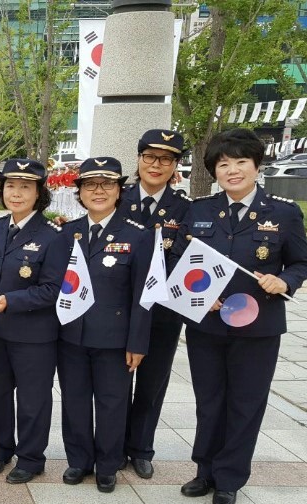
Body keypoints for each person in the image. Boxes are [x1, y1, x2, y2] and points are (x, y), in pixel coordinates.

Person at [172, 128, 307, 504]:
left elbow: (301, 263)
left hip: (258, 326)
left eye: (240, 162)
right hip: (207, 324)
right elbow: (179, 261)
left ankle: (230, 479)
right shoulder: (199, 211)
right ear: (213, 171)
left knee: (245, 403)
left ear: (256, 166)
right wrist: (200, 296)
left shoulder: (282, 212)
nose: (232, 170)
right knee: (209, 401)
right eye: (223, 164)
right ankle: (205, 471)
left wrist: (284, 280)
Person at [57, 157, 154, 493]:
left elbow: (145, 294)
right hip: (72, 336)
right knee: (75, 400)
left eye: (107, 184)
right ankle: (79, 460)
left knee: (112, 403)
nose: (98, 191)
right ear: (80, 192)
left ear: (119, 190)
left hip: (115, 339)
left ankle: (108, 464)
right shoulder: (67, 233)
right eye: (90, 185)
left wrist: (137, 342)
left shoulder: (138, 236)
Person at [0, 159, 67, 483]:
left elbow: (53, 289)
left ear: (39, 193)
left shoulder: (52, 235)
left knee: (33, 400)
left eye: (25, 187)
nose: (16, 193)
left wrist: (12, 301)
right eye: (10, 186)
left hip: (34, 335)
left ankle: (31, 458)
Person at [116, 129, 192, 480]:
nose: (156, 165)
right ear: (139, 158)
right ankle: (115, 446)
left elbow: (187, 259)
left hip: (163, 311)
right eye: (149, 156)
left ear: (175, 165)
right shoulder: (118, 198)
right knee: (116, 383)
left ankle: (141, 449)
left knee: (152, 382)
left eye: (166, 159)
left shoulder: (185, 208)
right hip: (119, 309)